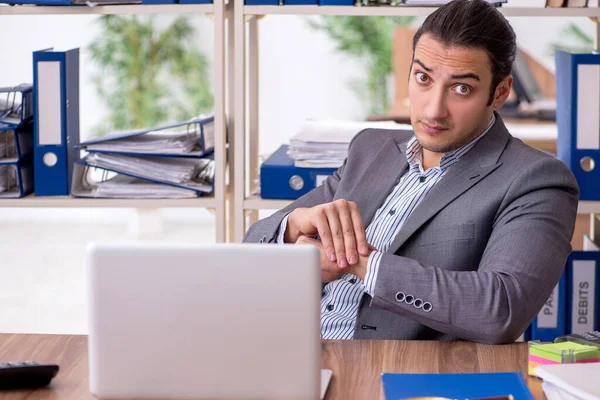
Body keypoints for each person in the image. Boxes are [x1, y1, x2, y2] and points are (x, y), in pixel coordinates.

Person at [243, 0, 579, 344]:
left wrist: (362, 263)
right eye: (423, 78)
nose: (433, 109)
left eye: (461, 88)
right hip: (289, 346)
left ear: (500, 92)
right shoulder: (371, 147)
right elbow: (251, 243)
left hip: (398, 372)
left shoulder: (537, 180)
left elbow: (500, 310)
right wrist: (293, 225)